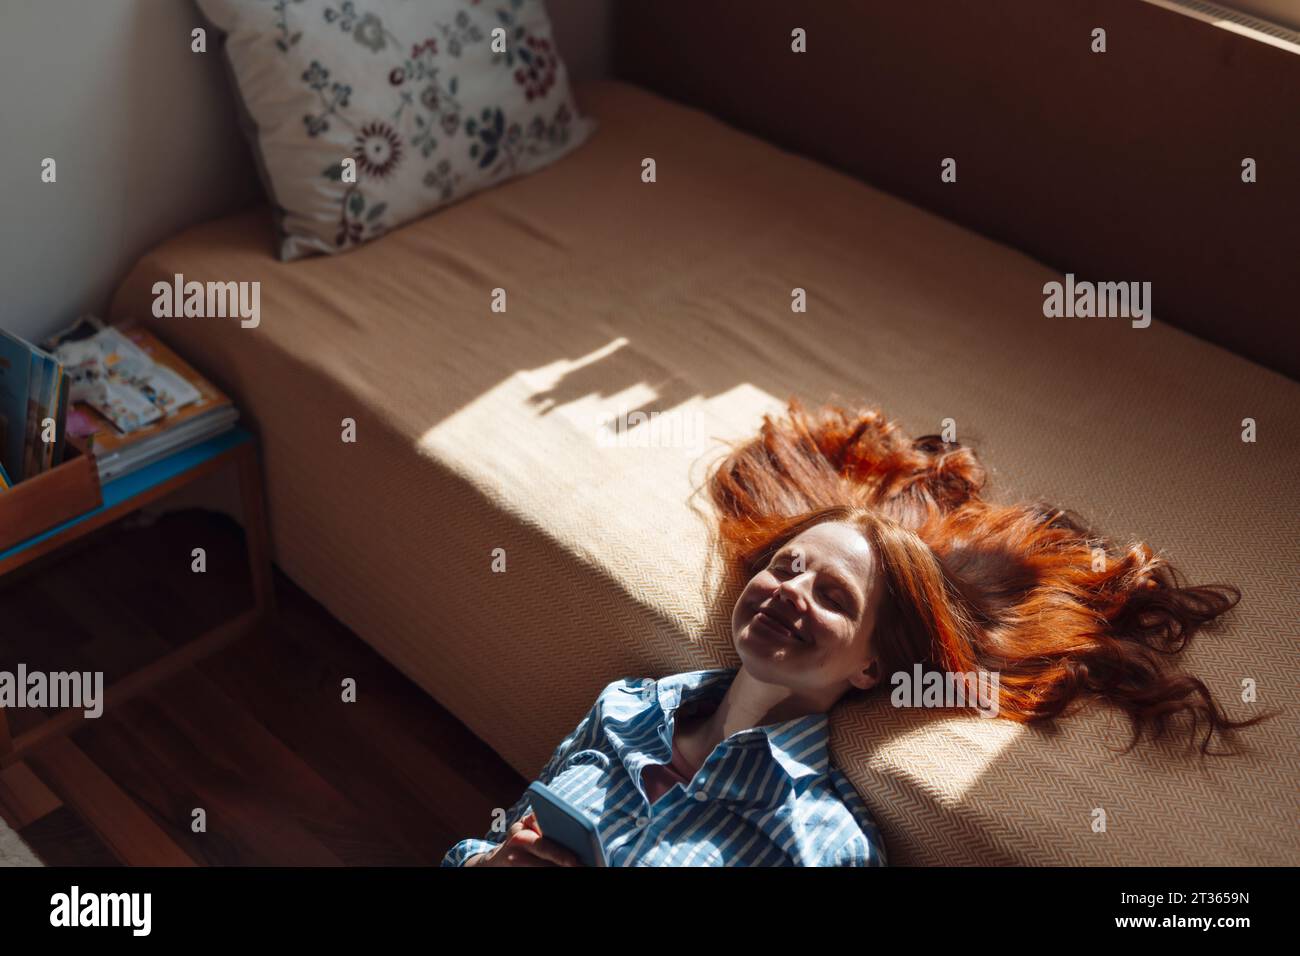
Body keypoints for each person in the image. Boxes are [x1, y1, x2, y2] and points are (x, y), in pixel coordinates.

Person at [442, 397, 1273, 867]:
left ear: (874, 668)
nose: (790, 593)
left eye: (833, 594)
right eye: (787, 568)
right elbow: (491, 839)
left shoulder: (824, 842)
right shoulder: (626, 707)